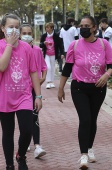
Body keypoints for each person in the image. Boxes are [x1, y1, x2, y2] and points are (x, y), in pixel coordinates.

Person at [58, 16, 112, 170]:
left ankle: (90, 148)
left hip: (98, 88)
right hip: (79, 88)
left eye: (87, 26)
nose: (83, 28)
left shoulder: (104, 44)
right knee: (85, 119)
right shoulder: (75, 45)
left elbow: (111, 65)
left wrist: (106, 74)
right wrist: (60, 88)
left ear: (94, 27)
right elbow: (67, 68)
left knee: (92, 119)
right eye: (81, 26)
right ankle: (83, 155)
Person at [0, 13, 42, 170]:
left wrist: (38, 95)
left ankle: (21, 155)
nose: (14, 30)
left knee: (27, 129)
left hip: (24, 95)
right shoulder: (0, 46)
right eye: (11, 27)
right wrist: (10, 45)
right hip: (4, 96)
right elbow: (2, 67)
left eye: (17, 28)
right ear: (3, 28)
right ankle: (9, 165)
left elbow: (33, 72)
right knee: (8, 132)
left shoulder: (26, 48)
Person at [20, 24, 47, 158]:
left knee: (35, 116)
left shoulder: (37, 50)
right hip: (19, 90)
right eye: (24, 32)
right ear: (19, 34)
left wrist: (43, 78)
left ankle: (37, 145)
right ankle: (25, 142)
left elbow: (43, 66)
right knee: (23, 119)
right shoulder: (14, 50)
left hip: (33, 89)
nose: (27, 35)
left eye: (29, 33)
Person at [40, 22, 64, 89]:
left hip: (53, 54)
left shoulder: (56, 36)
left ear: (52, 28)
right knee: (48, 67)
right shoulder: (44, 36)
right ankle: (48, 82)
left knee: (53, 68)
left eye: (48, 27)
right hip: (46, 54)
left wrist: (62, 53)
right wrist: (43, 43)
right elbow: (40, 45)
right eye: (46, 27)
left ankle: (52, 82)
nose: (47, 29)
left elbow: (60, 45)